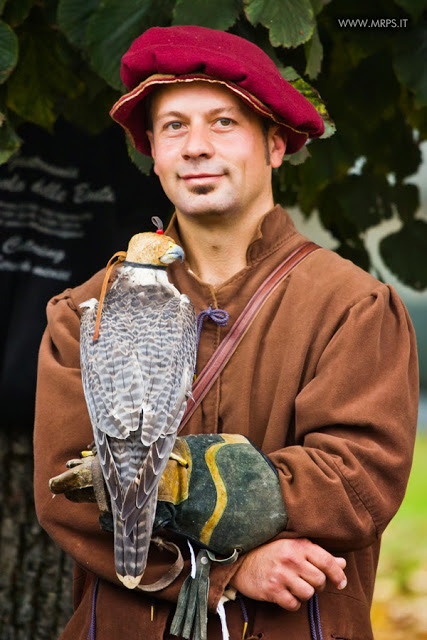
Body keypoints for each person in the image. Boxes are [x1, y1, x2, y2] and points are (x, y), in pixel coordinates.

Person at [34, 25, 418, 640]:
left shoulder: (354, 307)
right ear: (153, 154)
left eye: (223, 122)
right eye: (174, 127)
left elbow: (355, 480)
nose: (195, 147)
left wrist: (176, 485)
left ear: (274, 145)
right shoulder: (87, 312)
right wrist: (231, 570)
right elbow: (66, 489)